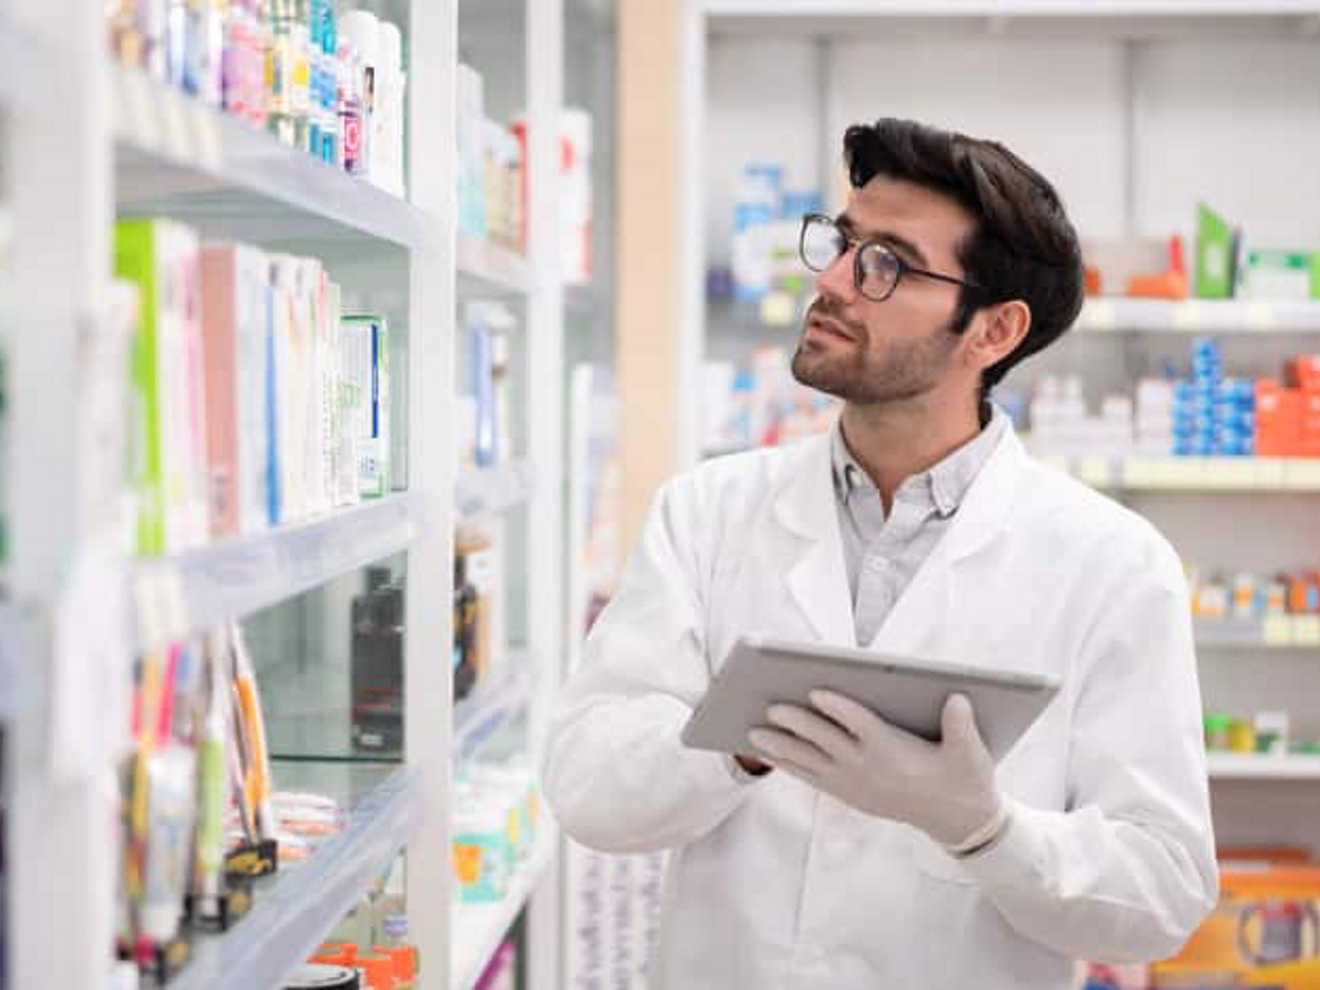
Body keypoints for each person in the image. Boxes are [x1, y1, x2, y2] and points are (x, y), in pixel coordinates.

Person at [543, 118, 1218, 989]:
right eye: (842, 243)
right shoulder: (707, 513)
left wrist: (987, 830)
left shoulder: (1114, 566)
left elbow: (1162, 892)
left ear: (993, 331)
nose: (830, 282)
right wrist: (738, 744)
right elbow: (587, 787)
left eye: (886, 263)